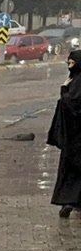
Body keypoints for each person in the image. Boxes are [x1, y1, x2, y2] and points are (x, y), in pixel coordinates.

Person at [48, 49, 81, 216]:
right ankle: (70, 203)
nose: (69, 67)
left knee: (73, 171)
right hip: (73, 138)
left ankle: (69, 202)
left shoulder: (78, 82)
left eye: (72, 64)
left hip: (76, 139)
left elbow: (73, 106)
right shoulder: (75, 79)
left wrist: (64, 91)